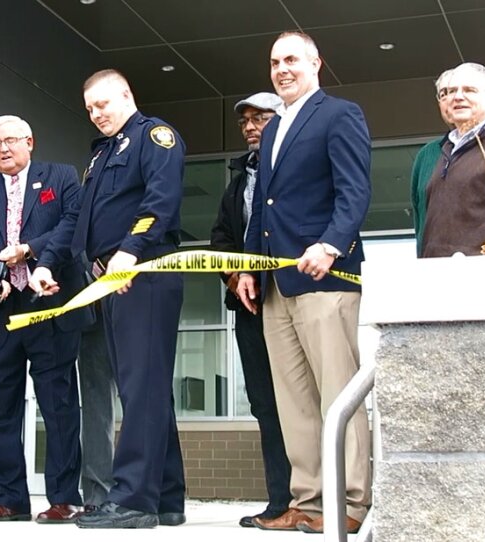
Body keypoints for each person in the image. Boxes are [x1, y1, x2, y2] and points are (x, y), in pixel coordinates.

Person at [30, 69, 187, 529]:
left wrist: (129, 252)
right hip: (109, 280)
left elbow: (161, 201)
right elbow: (78, 219)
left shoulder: (154, 137)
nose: (97, 114)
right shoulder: (100, 156)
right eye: (90, 109)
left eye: (103, 104)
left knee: (141, 387)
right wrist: (46, 261)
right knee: (145, 387)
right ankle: (167, 497)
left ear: (126, 94)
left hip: (144, 272)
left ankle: (135, 501)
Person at [236, 31, 371, 534]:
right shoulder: (271, 131)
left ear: (316, 62)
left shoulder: (340, 114)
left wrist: (330, 243)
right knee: (294, 403)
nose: (282, 68)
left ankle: (352, 502)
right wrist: (250, 264)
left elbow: (354, 191)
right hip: (277, 284)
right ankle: (310, 501)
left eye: (291, 59)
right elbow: (262, 207)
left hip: (326, 276)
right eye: (275, 61)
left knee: (339, 394)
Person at [0, 114, 90, 523]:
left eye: (10, 141)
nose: (3, 149)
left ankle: (65, 497)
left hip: (48, 305)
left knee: (59, 406)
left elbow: (73, 226)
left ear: (30, 141)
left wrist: (30, 251)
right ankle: (9, 498)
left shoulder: (61, 177)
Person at [210, 91, 292, 528]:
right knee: (265, 403)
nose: (249, 127)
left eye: (259, 118)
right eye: (244, 121)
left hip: (295, 296)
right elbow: (220, 239)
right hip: (251, 308)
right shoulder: (239, 179)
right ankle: (280, 500)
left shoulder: (295, 167)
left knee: (303, 399)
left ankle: (318, 496)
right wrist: (235, 276)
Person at [421, 62, 485, 258]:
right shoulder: (447, 148)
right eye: (451, 91)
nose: (458, 96)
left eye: (469, 90)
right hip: (436, 277)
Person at [411, 69, 454, 257]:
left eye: (467, 90)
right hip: (434, 271)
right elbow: (420, 220)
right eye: (445, 93)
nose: (455, 98)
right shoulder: (426, 155)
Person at [77, 304, 114, 514]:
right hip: (94, 304)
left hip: (142, 299)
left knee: (145, 396)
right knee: (95, 400)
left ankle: (150, 491)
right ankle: (98, 493)